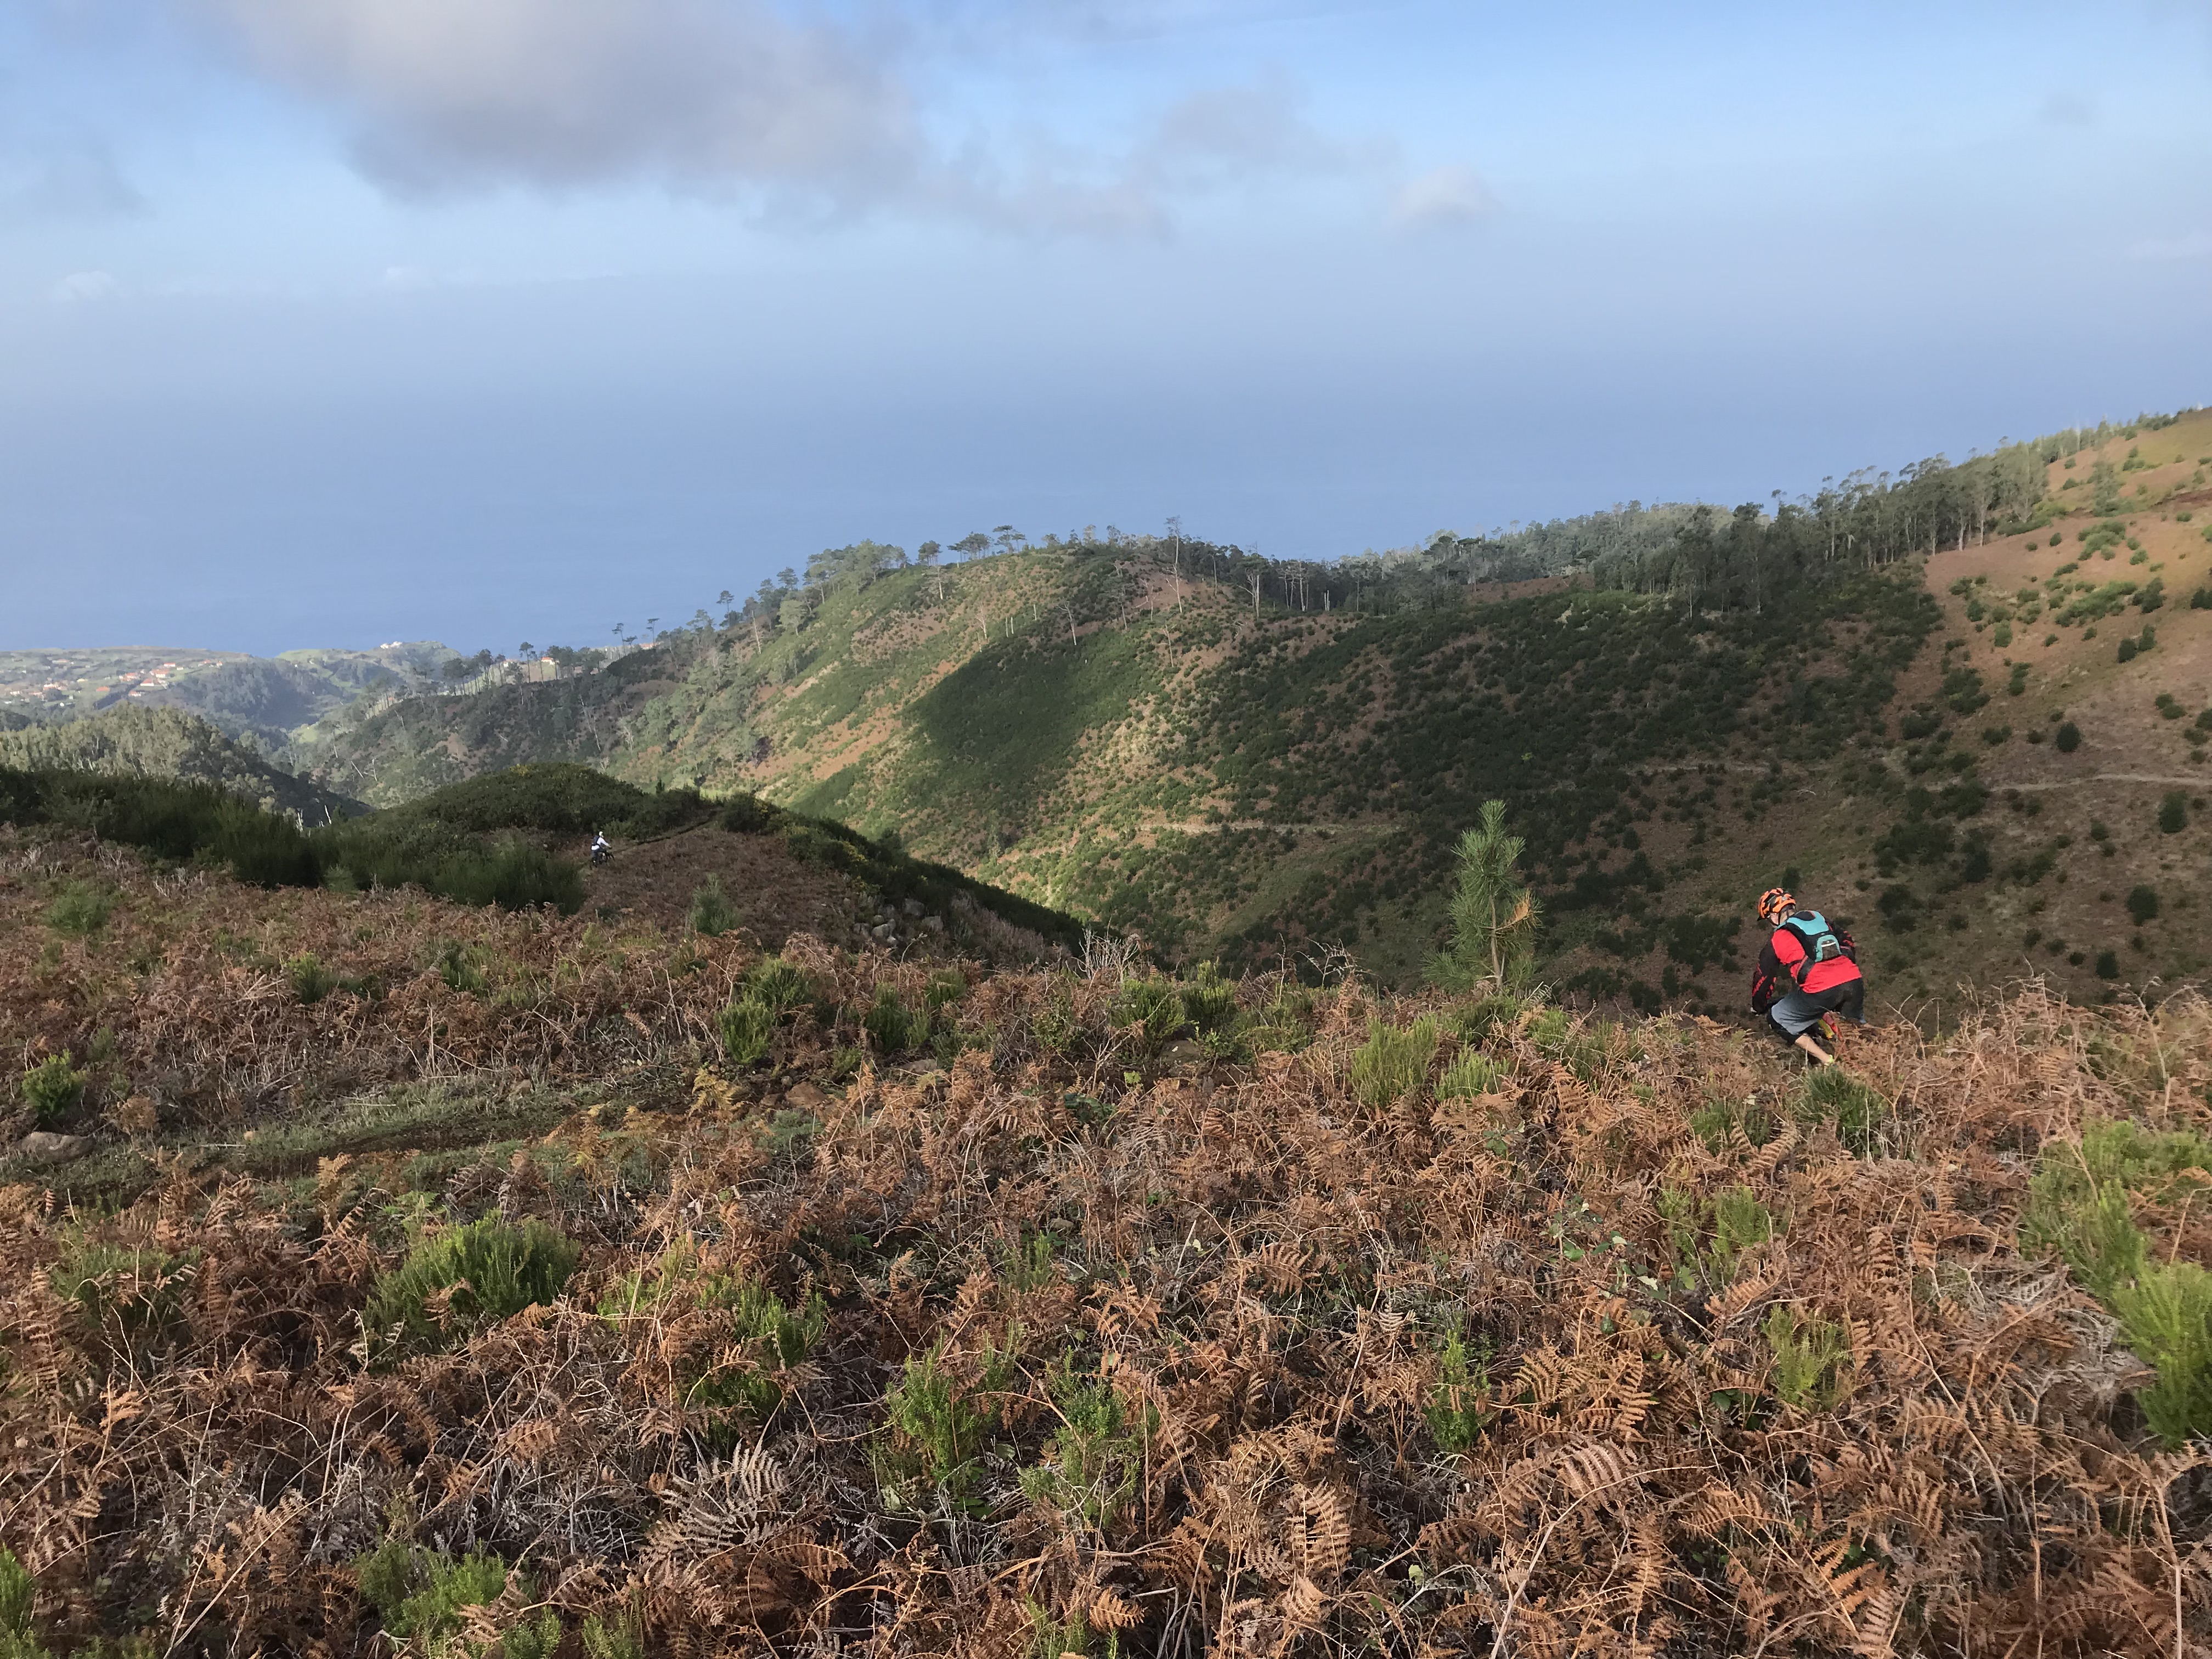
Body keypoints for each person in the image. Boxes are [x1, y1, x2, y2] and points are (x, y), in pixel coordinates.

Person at [1750, 888, 1863, 1066]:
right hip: (1853, 980)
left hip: (1820, 991)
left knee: (1777, 1017)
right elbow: (1846, 938)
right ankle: (1870, 1060)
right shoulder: (1817, 917)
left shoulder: (1777, 939)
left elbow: (1763, 981)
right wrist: (1845, 961)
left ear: (1774, 916)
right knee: (1857, 1032)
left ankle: (1829, 1062)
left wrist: (1759, 1006)